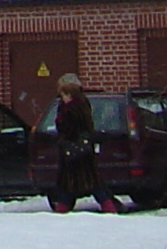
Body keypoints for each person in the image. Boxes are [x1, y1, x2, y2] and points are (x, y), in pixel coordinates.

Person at [48, 73, 117, 213]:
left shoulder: (74, 109)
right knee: (85, 183)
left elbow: (71, 128)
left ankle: (62, 209)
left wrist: (62, 128)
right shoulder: (77, 105)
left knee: (80, 183)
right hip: (80, 150)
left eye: (64, 94)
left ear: (70, 94)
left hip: (76, 151)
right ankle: (108, 206)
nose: (62, 98)